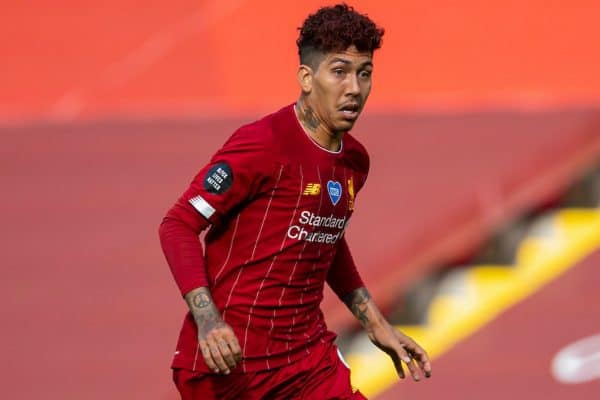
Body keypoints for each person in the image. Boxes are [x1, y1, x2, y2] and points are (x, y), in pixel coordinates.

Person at [159, 4, 431, 399]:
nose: (354, 88)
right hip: (232, 367)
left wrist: (374, 322)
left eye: (364, 73)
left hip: (307, 364)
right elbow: (178, 224)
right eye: (339, 72)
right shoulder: (264, 144)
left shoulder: (354, 161)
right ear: (307, 77)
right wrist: (208, 321)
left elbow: (325, 237)